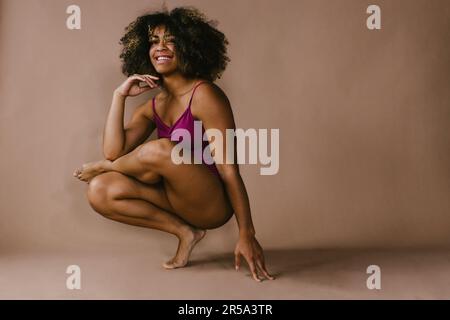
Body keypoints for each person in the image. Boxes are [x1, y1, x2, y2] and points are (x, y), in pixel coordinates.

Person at [73, 7, 274, 282]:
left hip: (211, 204)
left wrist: (246, 234)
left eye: (171, 40)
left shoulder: (205, 95)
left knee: (162, 149)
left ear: (190, 46)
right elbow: (113, 150)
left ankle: (108, 170)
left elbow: (229, 170)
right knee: (100, 190)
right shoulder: (153, 106)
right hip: (174, 199)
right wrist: (118, 95)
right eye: (154, 41)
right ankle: (184, 232)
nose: (161, 48)